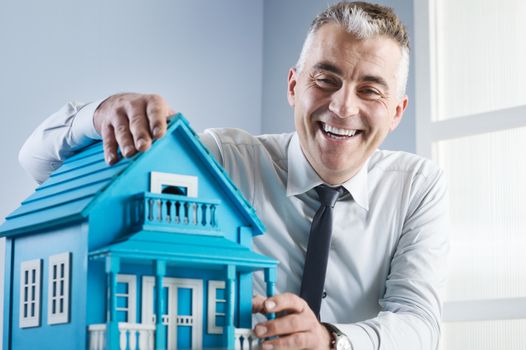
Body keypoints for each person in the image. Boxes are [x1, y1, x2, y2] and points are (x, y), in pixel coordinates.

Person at [19, 2, 448, 349]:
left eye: (370, 90)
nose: (342, 107)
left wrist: (330, 340)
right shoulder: (222, 160)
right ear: (294, 86)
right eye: (325, 78)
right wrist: (99, 116)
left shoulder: (417, 187)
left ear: (396, 113)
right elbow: (38, 162)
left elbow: (419, 323)